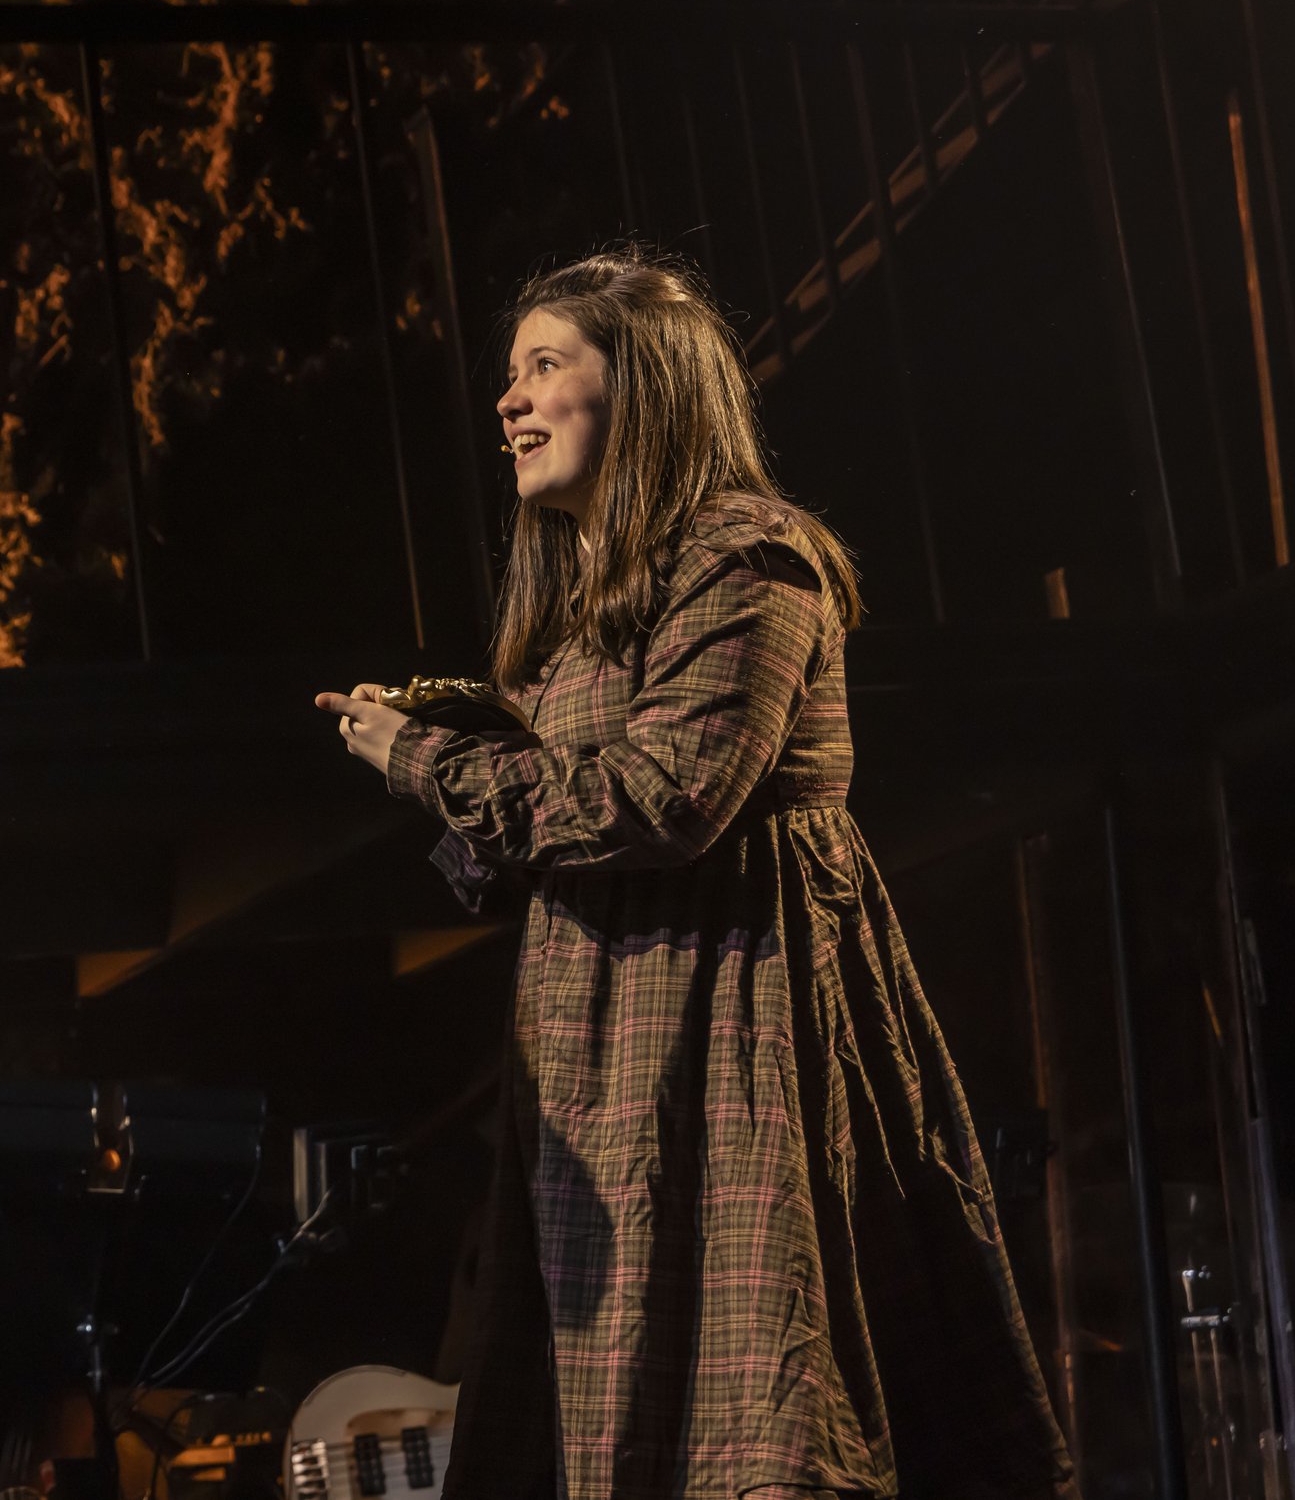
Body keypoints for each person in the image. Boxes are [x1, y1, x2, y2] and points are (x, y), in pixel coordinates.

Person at [316, 249, 1073, 1500]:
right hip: (602, 1056)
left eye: (545, 366)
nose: (507, 401)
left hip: (735, 1028)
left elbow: (664, 799)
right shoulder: (574, 619)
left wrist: (431, 763)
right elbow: (541, 842)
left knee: (755, 1403)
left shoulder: (749, 558)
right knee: (605, 1419)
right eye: (508, 375)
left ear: (647, 385)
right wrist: (463, 756)